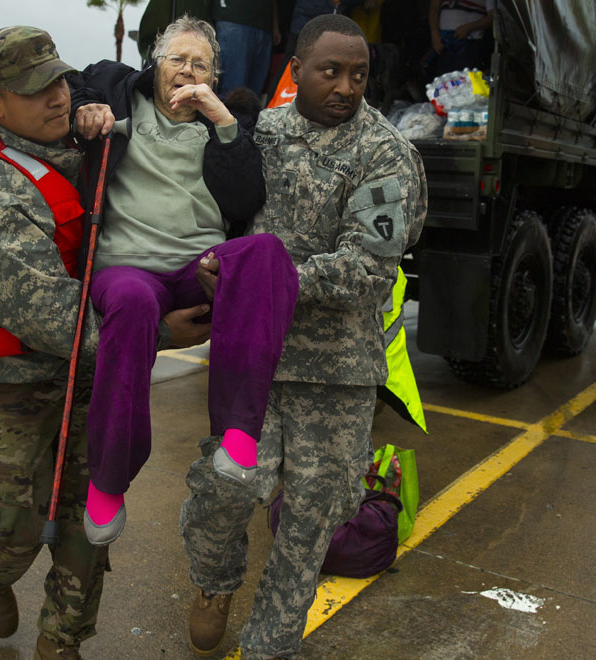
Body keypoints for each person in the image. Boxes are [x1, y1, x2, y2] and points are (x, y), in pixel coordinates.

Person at [0, 26, 210, 658]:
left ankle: (63, 639)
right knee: (10, 528)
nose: (57, 98)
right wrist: (156, 334)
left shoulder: (81, 140)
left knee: (87, 517)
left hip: (90, 369)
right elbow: (51, 316)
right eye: (35, 92)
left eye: (58, 80)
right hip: (14, 377)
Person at [180, 13, 427, 659]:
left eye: (359, 74)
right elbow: (217, 214)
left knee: (314, 517)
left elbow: (369, 270)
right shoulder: (257, 136)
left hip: (337, 371)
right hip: (254, 361)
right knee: (223, 491)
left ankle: (273, 643)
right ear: (298, 67)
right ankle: (213, 582)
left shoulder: (385, 152)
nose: (346, 86)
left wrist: (262, 278)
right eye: (331, 71)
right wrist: (214, 268)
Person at [67, 15, 298, 546]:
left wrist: (221, 121)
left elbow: (245, 199)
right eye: (178, 59)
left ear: (215, 78)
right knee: (128, 303)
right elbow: (72, 84)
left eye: (201, 64)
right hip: (127, 268)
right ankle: (109, 478)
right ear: (156, 62)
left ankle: (239, 435)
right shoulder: (116, 87)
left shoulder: (230, 121)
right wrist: (86, 108)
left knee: (265, 252)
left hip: (200, 267)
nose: (188, 71)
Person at [212, 0, 281, 96]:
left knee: (252, 96)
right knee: (232, 92)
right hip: (235, 18)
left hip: (264, 23)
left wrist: (275, 23)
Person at [429, 0, 495, 76]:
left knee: (468, 82)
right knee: (443, 82)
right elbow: (434, 8)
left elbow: (493, 17)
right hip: (444, 44)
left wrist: (469, 27)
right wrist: (434, 34)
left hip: (470, 46)